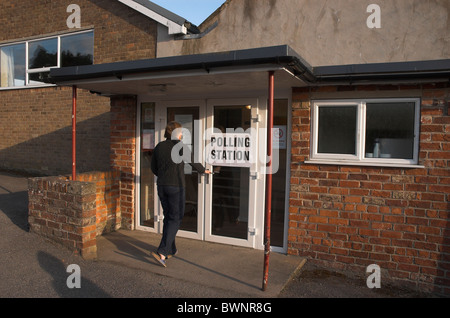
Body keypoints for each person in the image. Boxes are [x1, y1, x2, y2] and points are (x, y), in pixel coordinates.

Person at [150, 121, 210, 267]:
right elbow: (193, 161)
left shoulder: (159, 147)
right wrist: (203, 170)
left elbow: (153, 168)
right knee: (176, 218)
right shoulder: (180, 147)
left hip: (162, 186)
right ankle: (162, 252)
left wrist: (164, 176)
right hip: (176, 187)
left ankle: (171, 248)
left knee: (169, 217)